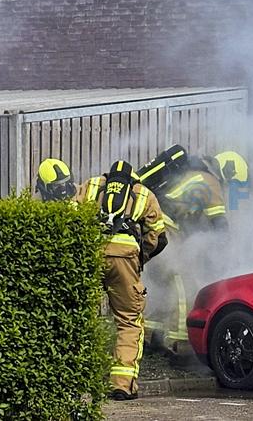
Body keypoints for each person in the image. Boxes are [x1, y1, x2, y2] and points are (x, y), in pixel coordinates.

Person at [136, 147, 248, 347]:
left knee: (159, 282)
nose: (229, 187)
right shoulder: (211, 182)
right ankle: (182, 341)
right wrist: (229, 254)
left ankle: (149, 336)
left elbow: (189, 218)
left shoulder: (193, 174)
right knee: (182, 280)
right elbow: (219, 225)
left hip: (150, 226)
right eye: (232, 183)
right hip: (164, 226)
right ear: (228, 172)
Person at [75, 160, 167, 400]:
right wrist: (140, 257)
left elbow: (69, 218)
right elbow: (159, 237)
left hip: (91, 254)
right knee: (129, 321)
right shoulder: (143, 193)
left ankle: (76, 382)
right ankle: (122, 385)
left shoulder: (92, 185)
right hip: (125, 259)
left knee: (80, 316)